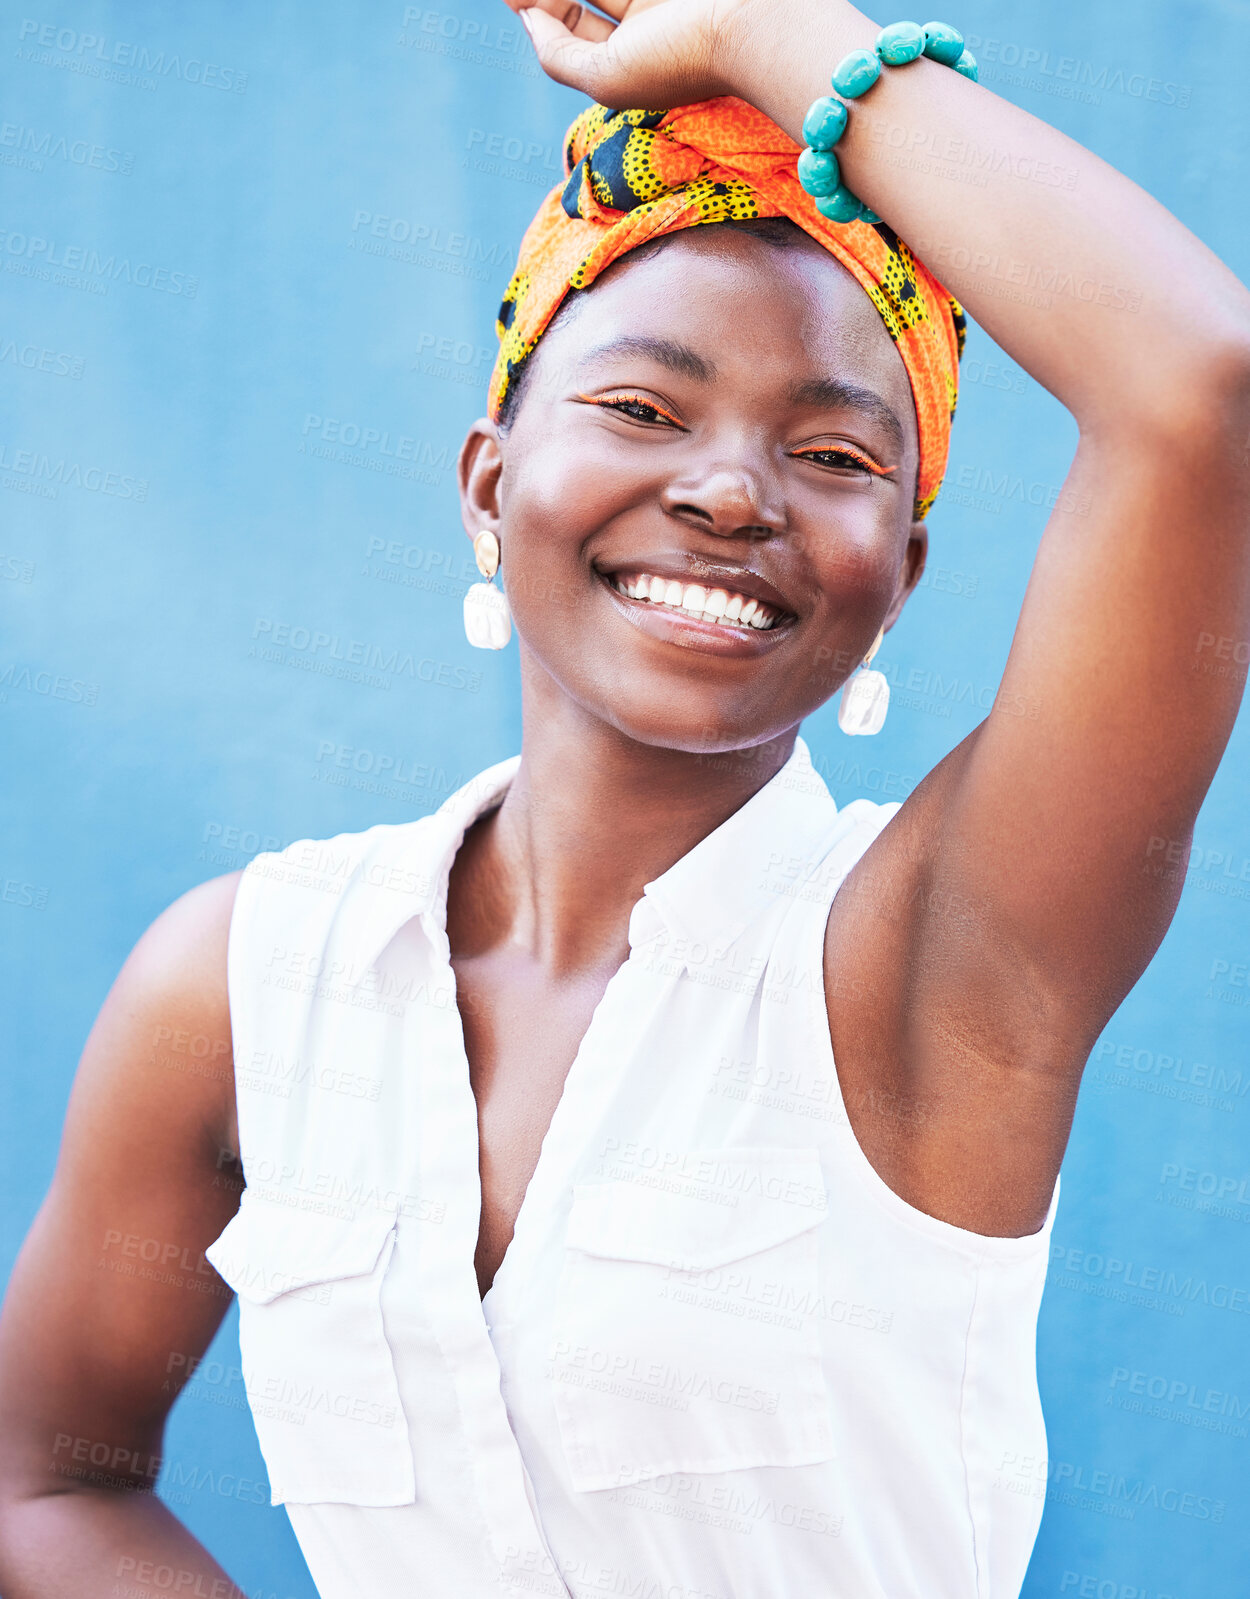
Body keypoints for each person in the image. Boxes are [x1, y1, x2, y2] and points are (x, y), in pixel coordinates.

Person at [2, 0, 1249, 1595]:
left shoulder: (943, 960)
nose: (730, 490)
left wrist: (760, 32)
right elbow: (52, 1480)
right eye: (643, 410)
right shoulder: (244, 985)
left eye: (836, 456)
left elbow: (1190, 387)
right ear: (487, 483)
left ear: (901, 578)